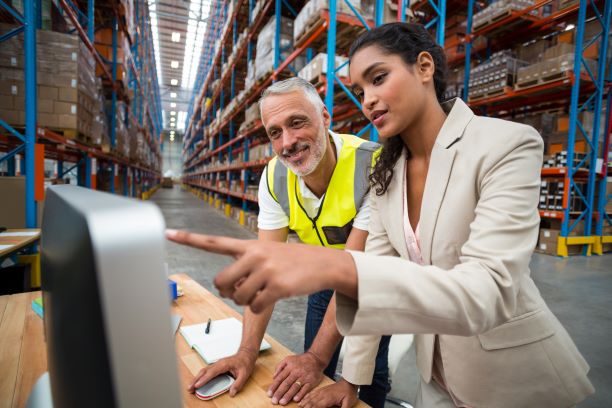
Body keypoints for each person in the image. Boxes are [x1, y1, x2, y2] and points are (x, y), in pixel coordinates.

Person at [167, 23, 595, 408]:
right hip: (438, 378)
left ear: (424, 66)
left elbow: (490, 291)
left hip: (512, 379)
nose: (369, 99)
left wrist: (340, 270)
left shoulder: (505, 144)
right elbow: (367, 287)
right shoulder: (389, 174)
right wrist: (348, 382)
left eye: (379, 78)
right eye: (361, 88)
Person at [180, 77, 391, 407]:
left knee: (366, 371)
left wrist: (315, 360)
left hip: (374, 280)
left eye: (297, 123)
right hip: (324, 275)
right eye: (275, 132)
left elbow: (356, 274)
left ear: (324, 117)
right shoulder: (275, 177)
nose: (287, 142)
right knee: (314, 362)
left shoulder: (372, 166)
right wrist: (246, 352)